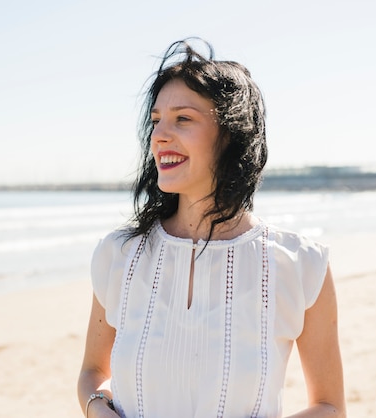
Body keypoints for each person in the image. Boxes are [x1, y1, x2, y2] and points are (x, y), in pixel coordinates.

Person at [78, 39, 345, 418]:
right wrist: (98, 410)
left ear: (232, 134)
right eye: (156, 120)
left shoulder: (300, 264)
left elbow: (330, 406)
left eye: (182, 119)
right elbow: (92, 373)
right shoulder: (117, 254)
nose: (159, 136)